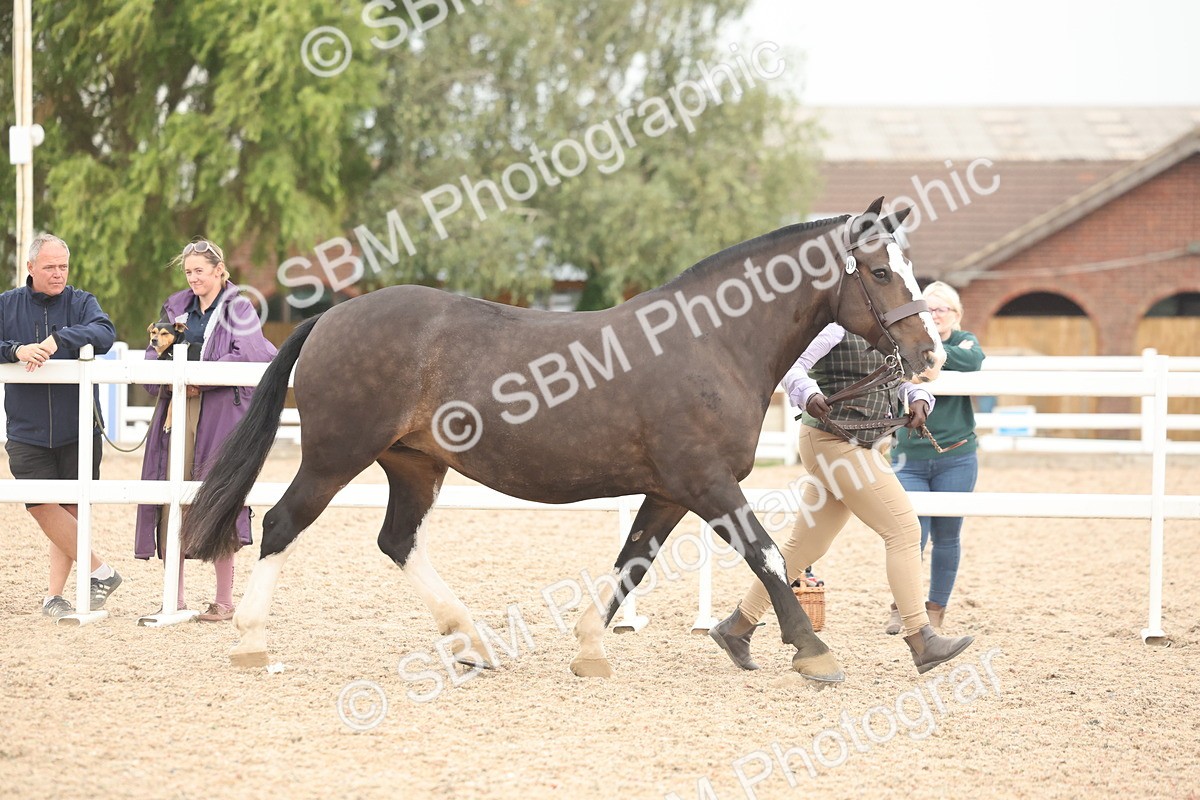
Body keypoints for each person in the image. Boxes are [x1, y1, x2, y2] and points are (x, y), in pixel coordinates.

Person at [709, 323, 974, 674]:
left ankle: (737, 626)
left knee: (804, 548)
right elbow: (791, 366)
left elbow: (894, 380)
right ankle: (921, 638)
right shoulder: (834, 329)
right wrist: (807, 392)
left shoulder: (885, 330)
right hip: (835, 443)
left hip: (858, 446)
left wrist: (918, 398)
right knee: (904, 531)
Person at [134, 239, 277, 621]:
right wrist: (170, 380)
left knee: (219, 496)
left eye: (200, 270)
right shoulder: (176, 305)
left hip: (219, 413)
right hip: (176, 407)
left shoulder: (239, 307)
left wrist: (201, 379)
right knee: (171, 494)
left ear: (219, 269)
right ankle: (174, 598)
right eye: (189, 272)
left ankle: (224, 601)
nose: (194, 278)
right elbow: (153, 350)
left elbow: (247, 353)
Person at [0, 233, 121, 617]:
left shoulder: (83, 302)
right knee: (39, 504)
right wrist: (14, 351)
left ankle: (55, 596)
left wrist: (58, 340)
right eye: (49, 266)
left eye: (63, 266)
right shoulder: (6, 305)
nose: (57, 274)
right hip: (26, 430)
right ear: (31, 267)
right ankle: (101, 571)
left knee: (71, 511)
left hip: (79, 428)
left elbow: (104, 333)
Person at [887, 282, 984, 635]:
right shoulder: (905, 341)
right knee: (911, 534)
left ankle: (936, 607)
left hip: (956, 456)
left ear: (956, 315)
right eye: (929, 309)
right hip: (909, 456)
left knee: (948, 535)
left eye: (943, 309)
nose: (936, 315)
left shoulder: (965, 342)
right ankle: (904, 605)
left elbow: (974, 360)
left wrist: (934, 352)